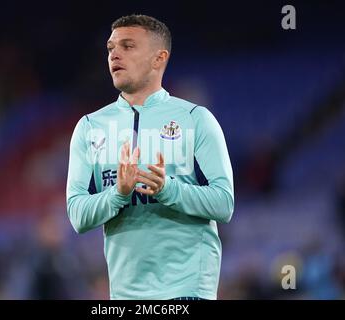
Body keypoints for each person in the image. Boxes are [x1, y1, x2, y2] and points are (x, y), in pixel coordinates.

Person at [66, 14, 234, 300]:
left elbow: (224, 203)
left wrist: (168, 189)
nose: (114, 54)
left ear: (159, 58)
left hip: (187, 290)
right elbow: (78, 216)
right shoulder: (89, 127)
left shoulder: (196, 119)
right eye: (110, 48)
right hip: (125, 295)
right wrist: (118, 194)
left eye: (128, 46)